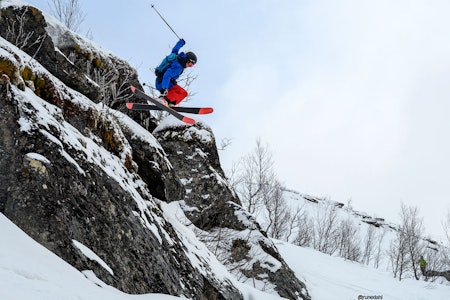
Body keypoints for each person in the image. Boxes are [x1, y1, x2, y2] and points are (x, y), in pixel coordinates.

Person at [155, 39, 197, 106]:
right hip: (163, 83)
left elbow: (175, 49)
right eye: (190, 64)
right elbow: (167, 74)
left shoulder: (176, 57)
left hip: (162, 81)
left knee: (182, 93)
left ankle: (169, 102)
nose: (189, 66)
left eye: (192, 66)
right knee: (183, 93)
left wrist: (181, 43)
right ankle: (163, 99)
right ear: (187, 60)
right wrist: (164, 88)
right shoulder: (178, 66)